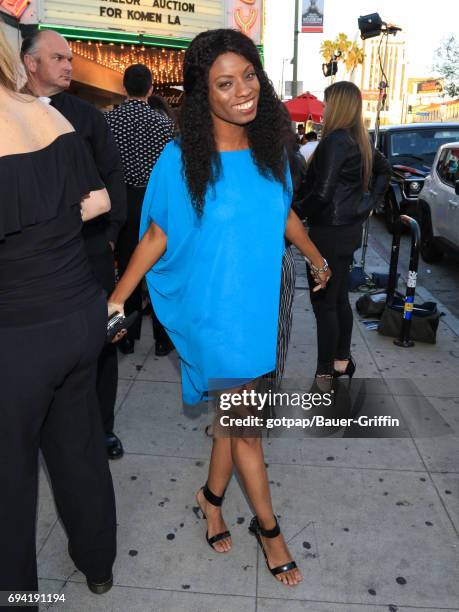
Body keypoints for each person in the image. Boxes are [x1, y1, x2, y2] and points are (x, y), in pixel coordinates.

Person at [108, 29, 331, 587]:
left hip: (256, 309)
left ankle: (210, 500)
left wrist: (317, 258)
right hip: (216, 313)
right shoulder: (182, 158)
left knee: (234, 421)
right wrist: (117, 296)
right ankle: (270, 531)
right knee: (248, 428)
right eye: (224, 83)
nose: (241, 91)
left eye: (248, 76)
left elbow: (282, 216)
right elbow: (158, 234)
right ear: (202, 93)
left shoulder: (269, 152)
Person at [0, 28, 116, 602]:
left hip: (17, 334)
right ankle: (98, 567)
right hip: (78, 314)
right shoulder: (53, 117)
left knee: (10, 478)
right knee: (79, 449)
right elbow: (98, 201)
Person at [21, 29, 127, 459]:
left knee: (100, 341)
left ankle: (102, 427)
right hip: (28, 260)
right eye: (59, 57)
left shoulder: (86, 117)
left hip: (88, 250)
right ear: (30, 63)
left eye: (70, 58)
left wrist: (112, 236)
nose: (69, 65)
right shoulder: (11, 113)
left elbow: (112, 176)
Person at [298, 81, 390, 382]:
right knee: (337, 299)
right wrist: (365, 206)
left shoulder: (337, 140)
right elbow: (384, 171)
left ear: (337, 105)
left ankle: (325, 372)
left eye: (327, 103)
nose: (324, 109)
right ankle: (340, 361)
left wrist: (295, 213)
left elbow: (322, 194)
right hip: (346, 231)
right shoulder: (358, 139)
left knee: (324, 303)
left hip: (329, 232)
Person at [106, 64, 175, 356]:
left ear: (124, 88)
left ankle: (126, 336)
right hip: (156, 202)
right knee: (158, 268)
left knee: (126, 267)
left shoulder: (107, 121)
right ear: (150, 89)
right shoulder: (164, 124)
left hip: (121, 202)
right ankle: (162, 338)